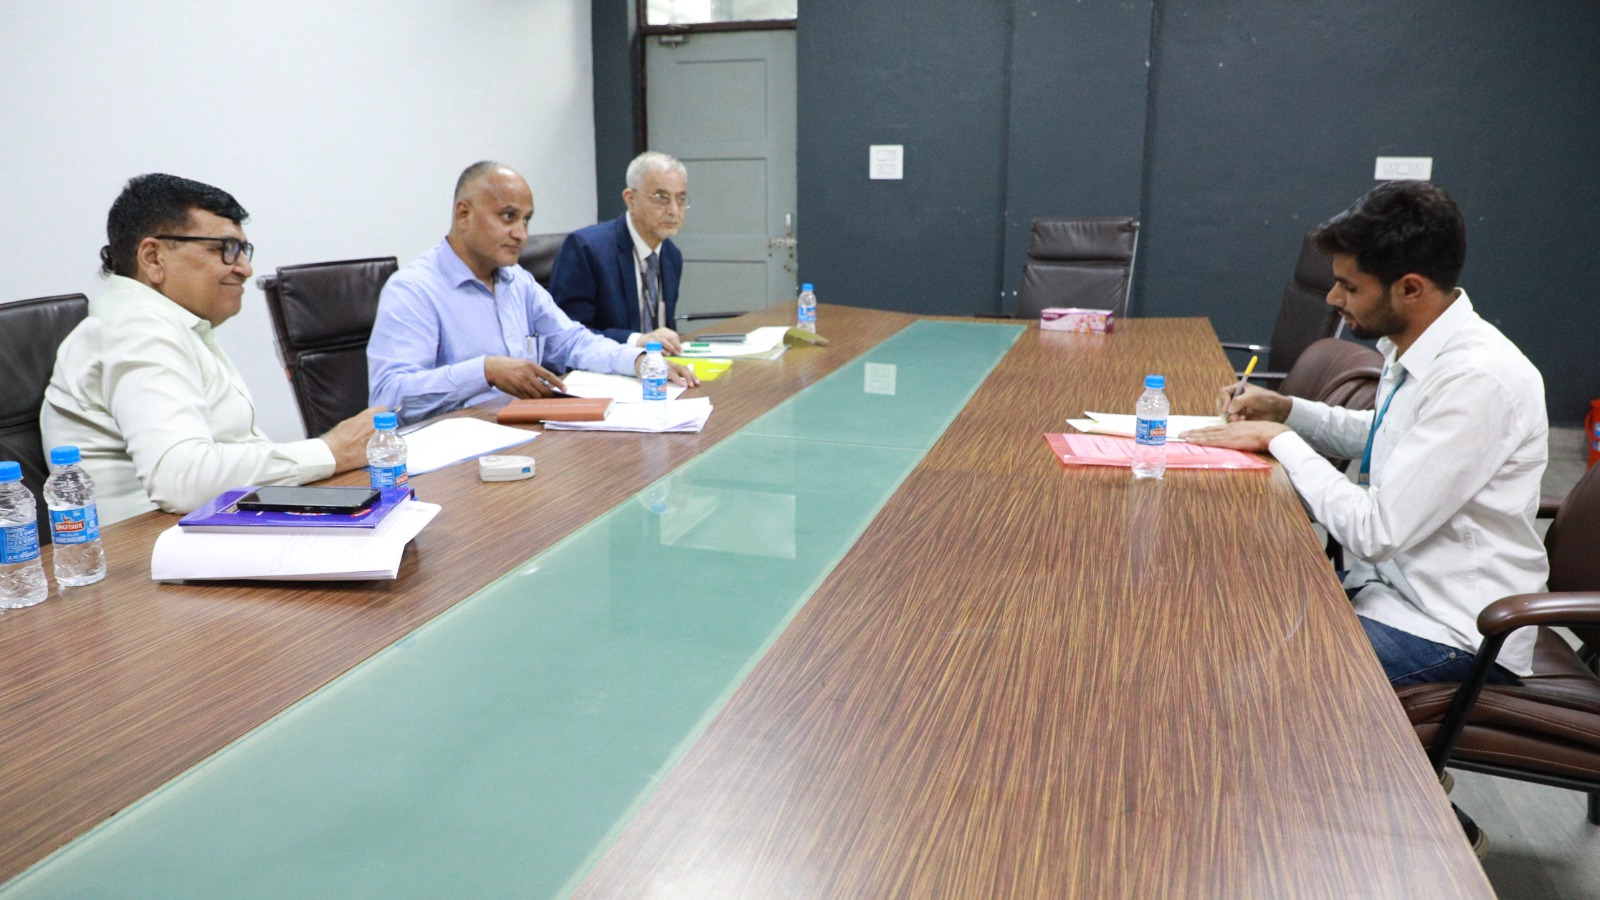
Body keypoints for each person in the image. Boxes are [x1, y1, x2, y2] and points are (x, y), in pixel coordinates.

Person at [1188, 181, 1546, 855]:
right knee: (1230, 626)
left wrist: (1281, 443)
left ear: (1410, 288)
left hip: (1457, 628)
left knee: (1246, 685)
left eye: (1349, 286)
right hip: (1397, 595)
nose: (1332, 298)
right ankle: (1393, 795)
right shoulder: (1420, 348)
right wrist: (1290, 412)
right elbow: (1386, 438)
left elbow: (1377, 529)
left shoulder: (1479, 379)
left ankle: (1426, 833)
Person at [40, 174, 380, 524]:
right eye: (226, 249)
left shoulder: (168, 322)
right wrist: (332, 450)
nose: (245, 269)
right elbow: (182, 479)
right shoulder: (135, 328)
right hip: (149, 546)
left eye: (244, 250)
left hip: (204, 528)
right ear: (153, 257)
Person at [368, 161, 697, 423]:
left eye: (526, 220)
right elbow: (388, 396)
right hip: (452, 452)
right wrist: (484, 371)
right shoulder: (413, 289)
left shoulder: (516, 281)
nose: (521, 234)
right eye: (508, 217)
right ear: (463, 214)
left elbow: (572, 341)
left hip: (524, 429)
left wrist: (638, 360)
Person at [548, 151, 689, 354]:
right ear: (631, 200)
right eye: (662, 198)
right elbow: (566, 334)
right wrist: (636, 341)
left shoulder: (671, 255)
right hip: (601, 369)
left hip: (654, 368)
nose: (674, 210)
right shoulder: (586, 249)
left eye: (681, 199)